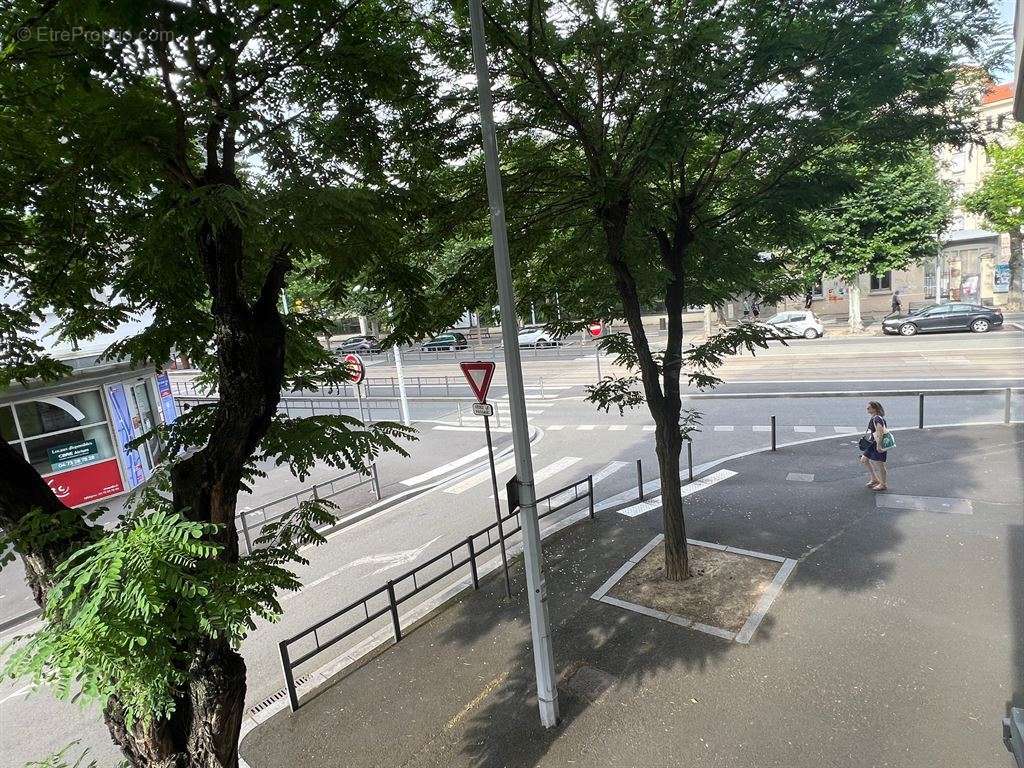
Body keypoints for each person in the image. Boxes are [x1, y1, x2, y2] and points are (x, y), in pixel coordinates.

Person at [859, 401, 889, 491]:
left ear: (875, 409)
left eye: (869, 407)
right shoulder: (874, 418)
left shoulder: (877, 419)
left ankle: (883, 484)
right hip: (872, 443)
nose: (867, 408)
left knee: (880, 464)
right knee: (864, 459)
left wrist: (879, 446)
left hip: (877, 443)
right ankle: (875, 479)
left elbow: (880, 432)